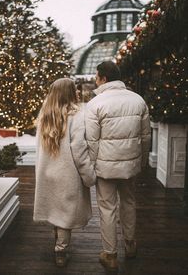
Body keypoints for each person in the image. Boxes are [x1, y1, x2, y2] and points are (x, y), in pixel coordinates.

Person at [85, 61, 151, 271]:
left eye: (97, 76)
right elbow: (145, 136)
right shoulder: (138, 100)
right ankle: (130, 245)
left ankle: (110, 254)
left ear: (103, 78)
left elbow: (92, 141)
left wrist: (93, 166)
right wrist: (141, 161)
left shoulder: (95, 104)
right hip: (130, 164)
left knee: (107, 207)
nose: (95, 80)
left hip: (105, 167)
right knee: (129, 202)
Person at [33, 78, 96, 267]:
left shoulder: (43, 116)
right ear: (70, 93)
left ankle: (58, 242)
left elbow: (38, 148)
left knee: (55, 210)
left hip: (47, 173)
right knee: (65, 215)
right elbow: (79, 150)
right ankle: (61, 252)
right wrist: (89, 175)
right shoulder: (76, 116)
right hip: (67, 174)